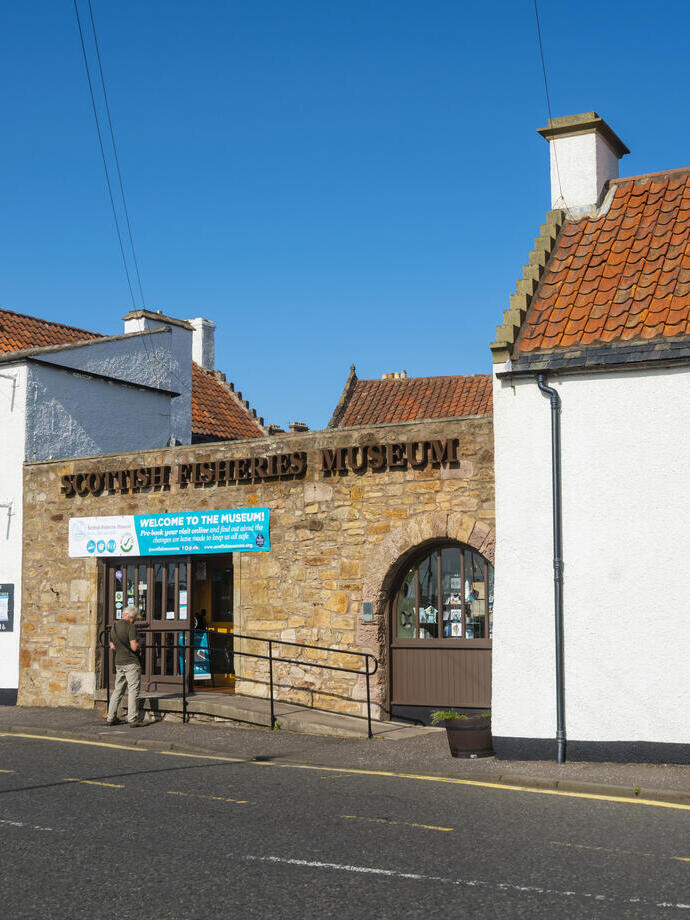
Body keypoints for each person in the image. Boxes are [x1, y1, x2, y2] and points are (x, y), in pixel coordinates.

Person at [106, 605, 145, 727]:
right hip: (131, 662)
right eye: (134, 618)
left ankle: (110, 717)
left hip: (119, 662)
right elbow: (134, 647)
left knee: (118, 690)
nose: (135, 621)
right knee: (133, 690)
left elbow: (112, 646)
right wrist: (140, 644)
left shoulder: (114, 626)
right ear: (130, 616)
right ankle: (133, 719)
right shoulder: (130, 627)